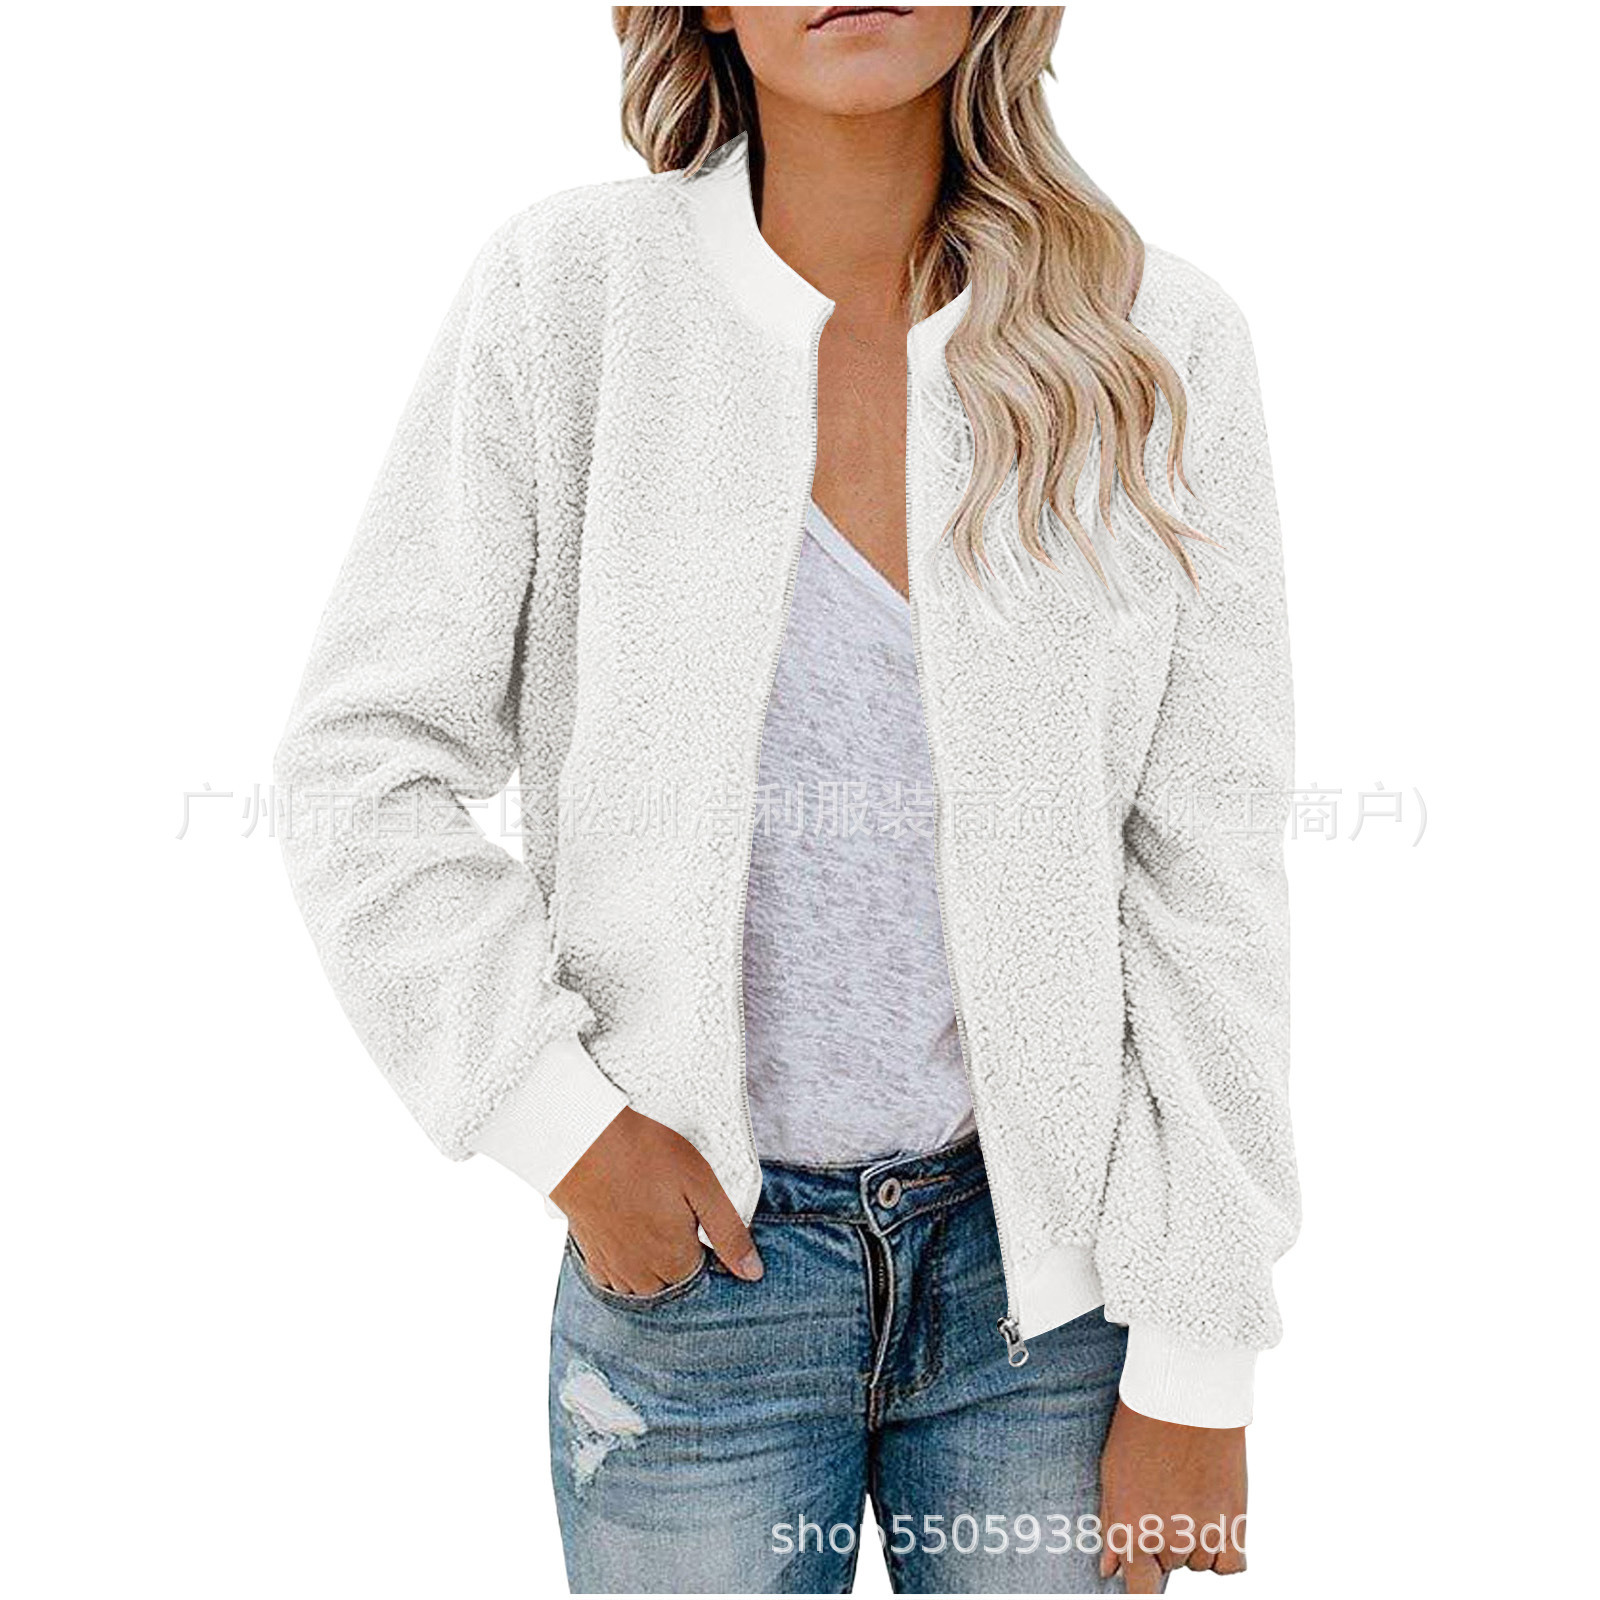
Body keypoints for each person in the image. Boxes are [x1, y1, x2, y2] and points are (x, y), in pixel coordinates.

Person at [273, 7, 1297, 1592]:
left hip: (1056, 1304)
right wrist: (566, 1129)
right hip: (697, 1289)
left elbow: (1207, 870)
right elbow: (363, 762)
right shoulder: (576, 301)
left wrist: (1200, 1358)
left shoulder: (1157, 341)